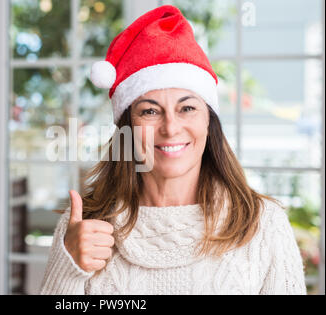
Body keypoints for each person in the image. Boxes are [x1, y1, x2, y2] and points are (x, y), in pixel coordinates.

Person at [39, 5, 307, 295]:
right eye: (150, 112)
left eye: (187, 108)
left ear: (209, 121)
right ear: (127, 127)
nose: (170, 127)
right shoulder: (84, 225)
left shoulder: (263, 223)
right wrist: (68, 270)